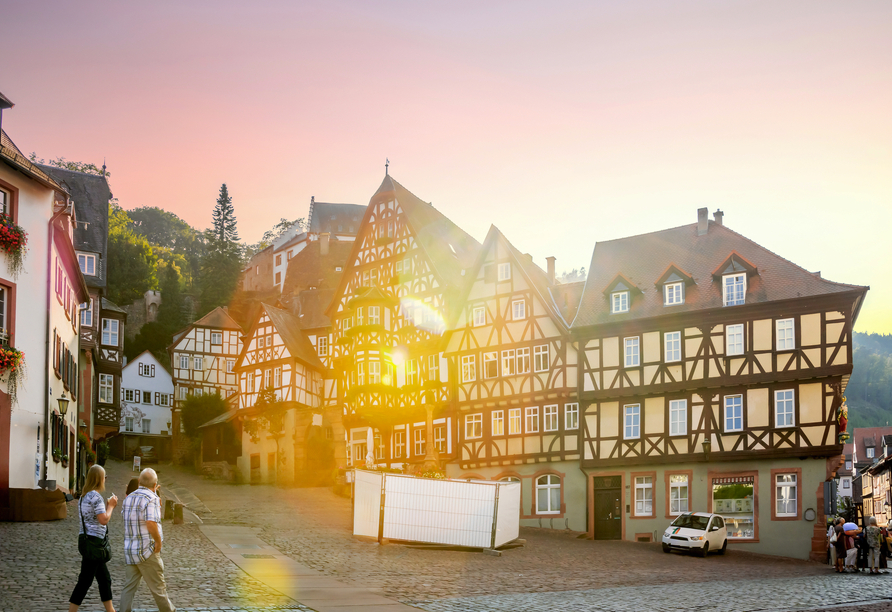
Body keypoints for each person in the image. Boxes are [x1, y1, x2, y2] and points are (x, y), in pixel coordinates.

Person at [119, 468, 175, 612]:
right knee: (158, 588)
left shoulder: (129, 498)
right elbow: (151, 522)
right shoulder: (152, 499)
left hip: (131, 549)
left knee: (129, 587)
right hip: (147, 550)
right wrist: (158, 541)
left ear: (139, 481)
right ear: (155, 484)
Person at [69, 464, 118, 612]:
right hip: (95, 543)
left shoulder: (84, 496)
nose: (105, 480)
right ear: (99, 479)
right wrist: (111, 506)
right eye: (105, 477)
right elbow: (103, 519)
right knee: (85, 581)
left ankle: (111, 610)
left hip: (86, 540)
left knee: (104, 579)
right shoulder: (96, 497)